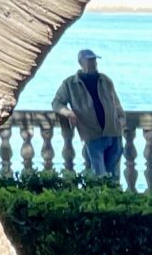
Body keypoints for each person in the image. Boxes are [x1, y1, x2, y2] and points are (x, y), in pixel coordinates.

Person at [52, 47, 124, 179]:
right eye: (90, 60)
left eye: (95, 60)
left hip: (114, 133)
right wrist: (68, 113)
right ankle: (99, 198)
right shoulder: (70, 84)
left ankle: (114, 198)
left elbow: (116, 103)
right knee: (99, 175)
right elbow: (57, 103)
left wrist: (121, 119)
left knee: (114, 175)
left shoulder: (105, 80)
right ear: (81, 62)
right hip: (92, 136)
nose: (94, 63)